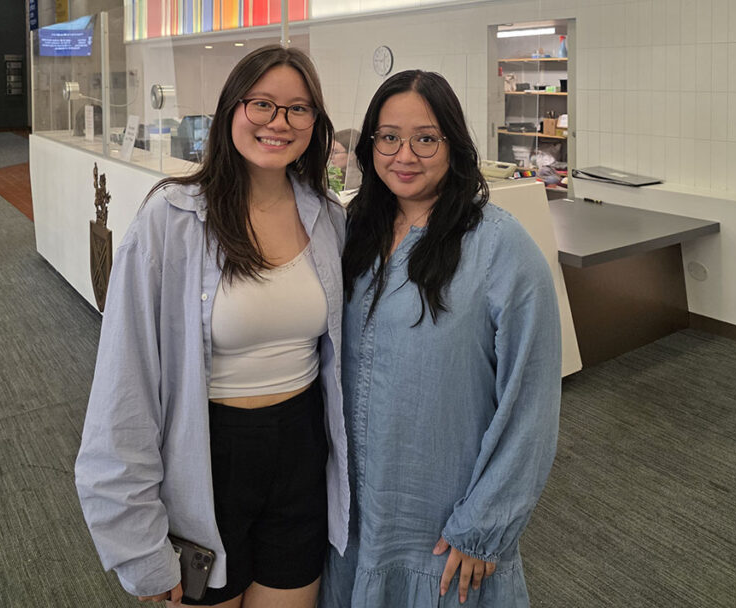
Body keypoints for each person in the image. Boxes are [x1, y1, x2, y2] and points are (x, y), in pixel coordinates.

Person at [76, 45, 349, 608]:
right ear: (231, 110)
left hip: (301, 449)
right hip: (207, 456)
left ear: (315, 124)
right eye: (263, 104)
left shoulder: (328, 217)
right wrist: (139, 547)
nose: (279, 122)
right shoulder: (170, 219)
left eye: (299, 109)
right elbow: (121, 389)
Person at [321, 70, 560, 608]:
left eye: (425, 138)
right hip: (352, 520)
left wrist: (484, 526)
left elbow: (533, 404)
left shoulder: (500, 246)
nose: (404, 154)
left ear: (453, 143)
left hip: (443, 531)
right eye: (388, 137)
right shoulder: (350, 232)